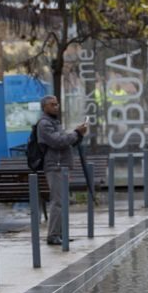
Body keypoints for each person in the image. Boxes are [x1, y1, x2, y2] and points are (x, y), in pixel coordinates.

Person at [37, 95, 87, 246]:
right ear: (44, 107)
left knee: (63, 201)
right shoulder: (44, 124)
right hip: (55, 166)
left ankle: (60, 234)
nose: (56, 107)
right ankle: (53, 235)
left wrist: (78, 135)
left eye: (57, 104)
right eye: (52, 105)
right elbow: (58, 141)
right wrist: (76, 133)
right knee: (57, 202)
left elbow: (65, 141)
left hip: (62, 166)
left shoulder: (55, 123)